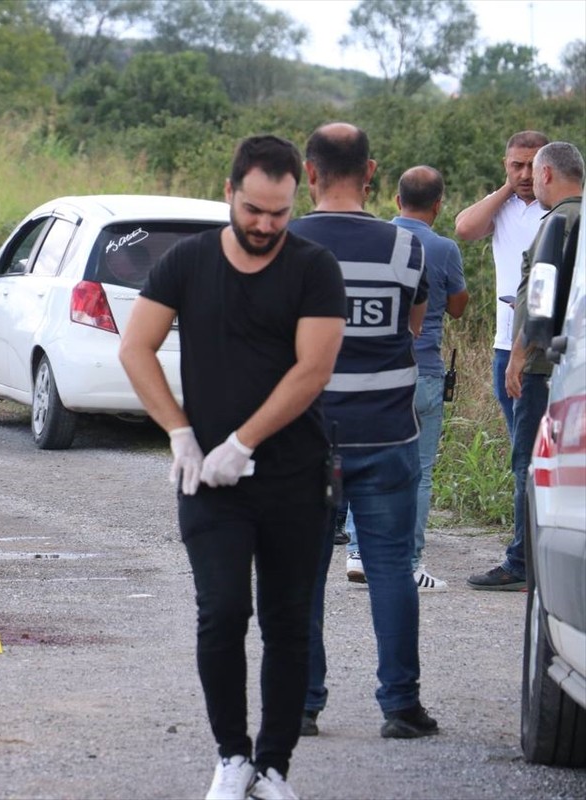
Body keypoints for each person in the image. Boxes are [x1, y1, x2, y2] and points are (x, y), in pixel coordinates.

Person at [119, 135, 345, 800]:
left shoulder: (314, 268)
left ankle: (273, 767)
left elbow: (314, 368)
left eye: (279, 213)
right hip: (207, 479)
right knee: (221, 612)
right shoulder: (187, 262)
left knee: (288, 621)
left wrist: (243, 441)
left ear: (296, 198)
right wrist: (180, 433)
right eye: (253, 210)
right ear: (229, 192)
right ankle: (231, 757)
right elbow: (136, 347)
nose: (266, 225)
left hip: (295, 476)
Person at [292, 123, 435, 742]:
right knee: (390, 569)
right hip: (386, 436)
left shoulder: (285, 245)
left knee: (301, 575)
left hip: (304, 438)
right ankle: (401, 706)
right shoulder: (406, 247)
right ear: (371, 171)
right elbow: (413, 325)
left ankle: (303, 706)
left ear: (309, 171)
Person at [343, 167, 469, 593]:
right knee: (419, 472)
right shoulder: (445, 248)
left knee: (366, 460)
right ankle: (409, 563)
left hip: (377, 371)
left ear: (397, 201)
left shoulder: (378, 239)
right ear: (439, 205)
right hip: (424, 371)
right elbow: (457, 308)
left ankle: (358, 552)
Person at [470, 141, 583, 591]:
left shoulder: (555, 222)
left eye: (534, 173)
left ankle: (521, 562)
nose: (531, 182)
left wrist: (517, 357)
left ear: (547, 174)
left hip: (540, 366)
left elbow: (539, 300)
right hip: (573, 362)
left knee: (529, 464)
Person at [454, 131, 549, 436]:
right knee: (518, 438)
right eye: (517, 165)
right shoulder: (502, 205)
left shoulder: (560, 207)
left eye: (533, 165)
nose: (525, 174)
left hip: (549, 345)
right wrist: (508, 188)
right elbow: (465, 228)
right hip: (506, 344)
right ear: (505, 164)